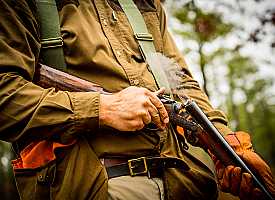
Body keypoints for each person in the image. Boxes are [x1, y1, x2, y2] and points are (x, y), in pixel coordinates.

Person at [0, 0, 274, 199]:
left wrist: (233, 149)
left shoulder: (148, 4)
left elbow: (183, 86)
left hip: (187, 183)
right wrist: (104, 108)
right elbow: (5, 94)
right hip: (97, 185)